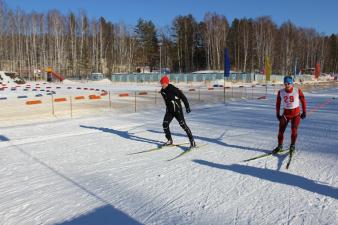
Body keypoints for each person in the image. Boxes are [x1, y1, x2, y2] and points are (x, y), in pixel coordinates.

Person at [272, 76, 307, 154]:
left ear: (292, 83)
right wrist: (277, 113)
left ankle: (292, 145)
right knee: (280, 131)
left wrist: (304, 112)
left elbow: (303, 101)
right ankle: (280, 146)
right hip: (285, 114)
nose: (286, 85)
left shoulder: (297, 91)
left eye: (288, 83)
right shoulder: (280, 92)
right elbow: (278, 103)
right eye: (285, 83)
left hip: (296, 114)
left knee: (294, 131)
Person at [159, 75, 196, 148]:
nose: (162, 85)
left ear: (166, 83)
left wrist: (187, 107)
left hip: (177, 110)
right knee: (165, 124)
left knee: (183, 125)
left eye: (162, 83)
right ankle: (169, 140)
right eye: (161, 83)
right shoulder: (163, 90)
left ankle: (192, 141)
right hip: (169, 111)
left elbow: (183, 97)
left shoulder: (174, 89)